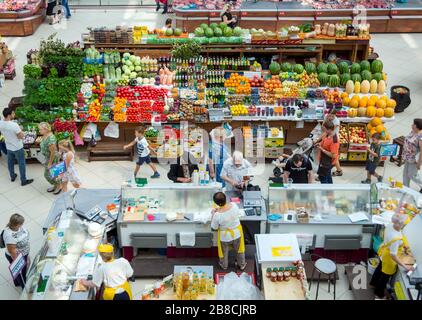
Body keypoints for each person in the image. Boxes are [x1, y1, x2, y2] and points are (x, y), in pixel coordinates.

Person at [370, 213, 413, 299]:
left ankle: (373, 283)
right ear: (400, 224)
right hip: (389, 259)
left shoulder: (390, 225)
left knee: (379, 269)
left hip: (384, 252)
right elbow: (393, 255)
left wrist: (403, 245)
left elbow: (398, 235)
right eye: (404, 224)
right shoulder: (395, 238)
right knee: (385, 277)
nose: (404, 225)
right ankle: (378, 293)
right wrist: (404, 266)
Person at [211, 192, 246, 271]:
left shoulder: (217, 215)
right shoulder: (234, 205)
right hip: (237, 234)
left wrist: (213, 214)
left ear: (216, 203)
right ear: (225, 198)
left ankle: (224, 265)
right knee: (239, 250)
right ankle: (242, 265)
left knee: (224, 252)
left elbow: (214, 227)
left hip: (225, 237)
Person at [0, 108, 33, 186]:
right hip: (17, 147)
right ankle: (23, 180)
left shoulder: (1, 122)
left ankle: (12, 176)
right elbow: (20, 136)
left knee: (10, 162)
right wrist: (21, 131)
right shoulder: (14, 125)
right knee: (21, 163)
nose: (14, 115)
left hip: (8, 146)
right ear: (9, 115)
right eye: (13, 113)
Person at [2, 214, 30, 289]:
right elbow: (12, 251)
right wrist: (18, 263)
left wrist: (27, 255)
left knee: (21, 272)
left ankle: (17, 282)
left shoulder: (19, 227)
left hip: (24, 253)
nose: (22, 225)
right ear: (15, 224)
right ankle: (24, 287)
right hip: (17, 257)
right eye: (21, 224)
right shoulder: (9, 235)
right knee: (21, 273)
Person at [38, 122, 61, 194]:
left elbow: (53, 152)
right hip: (46, 157)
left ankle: (59, 186)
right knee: (51, 174)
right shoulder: (45, 135)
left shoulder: (51, 138)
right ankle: (55, 185)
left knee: (51, 174)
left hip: (52, 158)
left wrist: (50, 163)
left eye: (40, 129)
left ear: (46, 129)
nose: (39, 131)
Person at [402, 118, 422, 191]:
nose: (412, 125)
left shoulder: (420, 137)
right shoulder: (413, 131)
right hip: (407, 157)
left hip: (414, 160)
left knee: (412, 175)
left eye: (414, 124)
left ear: (417, 126)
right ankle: (405, 188)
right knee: (405, 174)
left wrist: (419, 163)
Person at [327, 111, 343, 177]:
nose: (330, 117)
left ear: (335, 115)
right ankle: (339, 170)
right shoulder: (327, 118)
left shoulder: (336, 121)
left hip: (334, 140)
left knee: (333, 156)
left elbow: (330, 130)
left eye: (332, 116)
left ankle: (338, 171)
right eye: (329, 115)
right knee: (333, 156)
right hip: (329, 138)